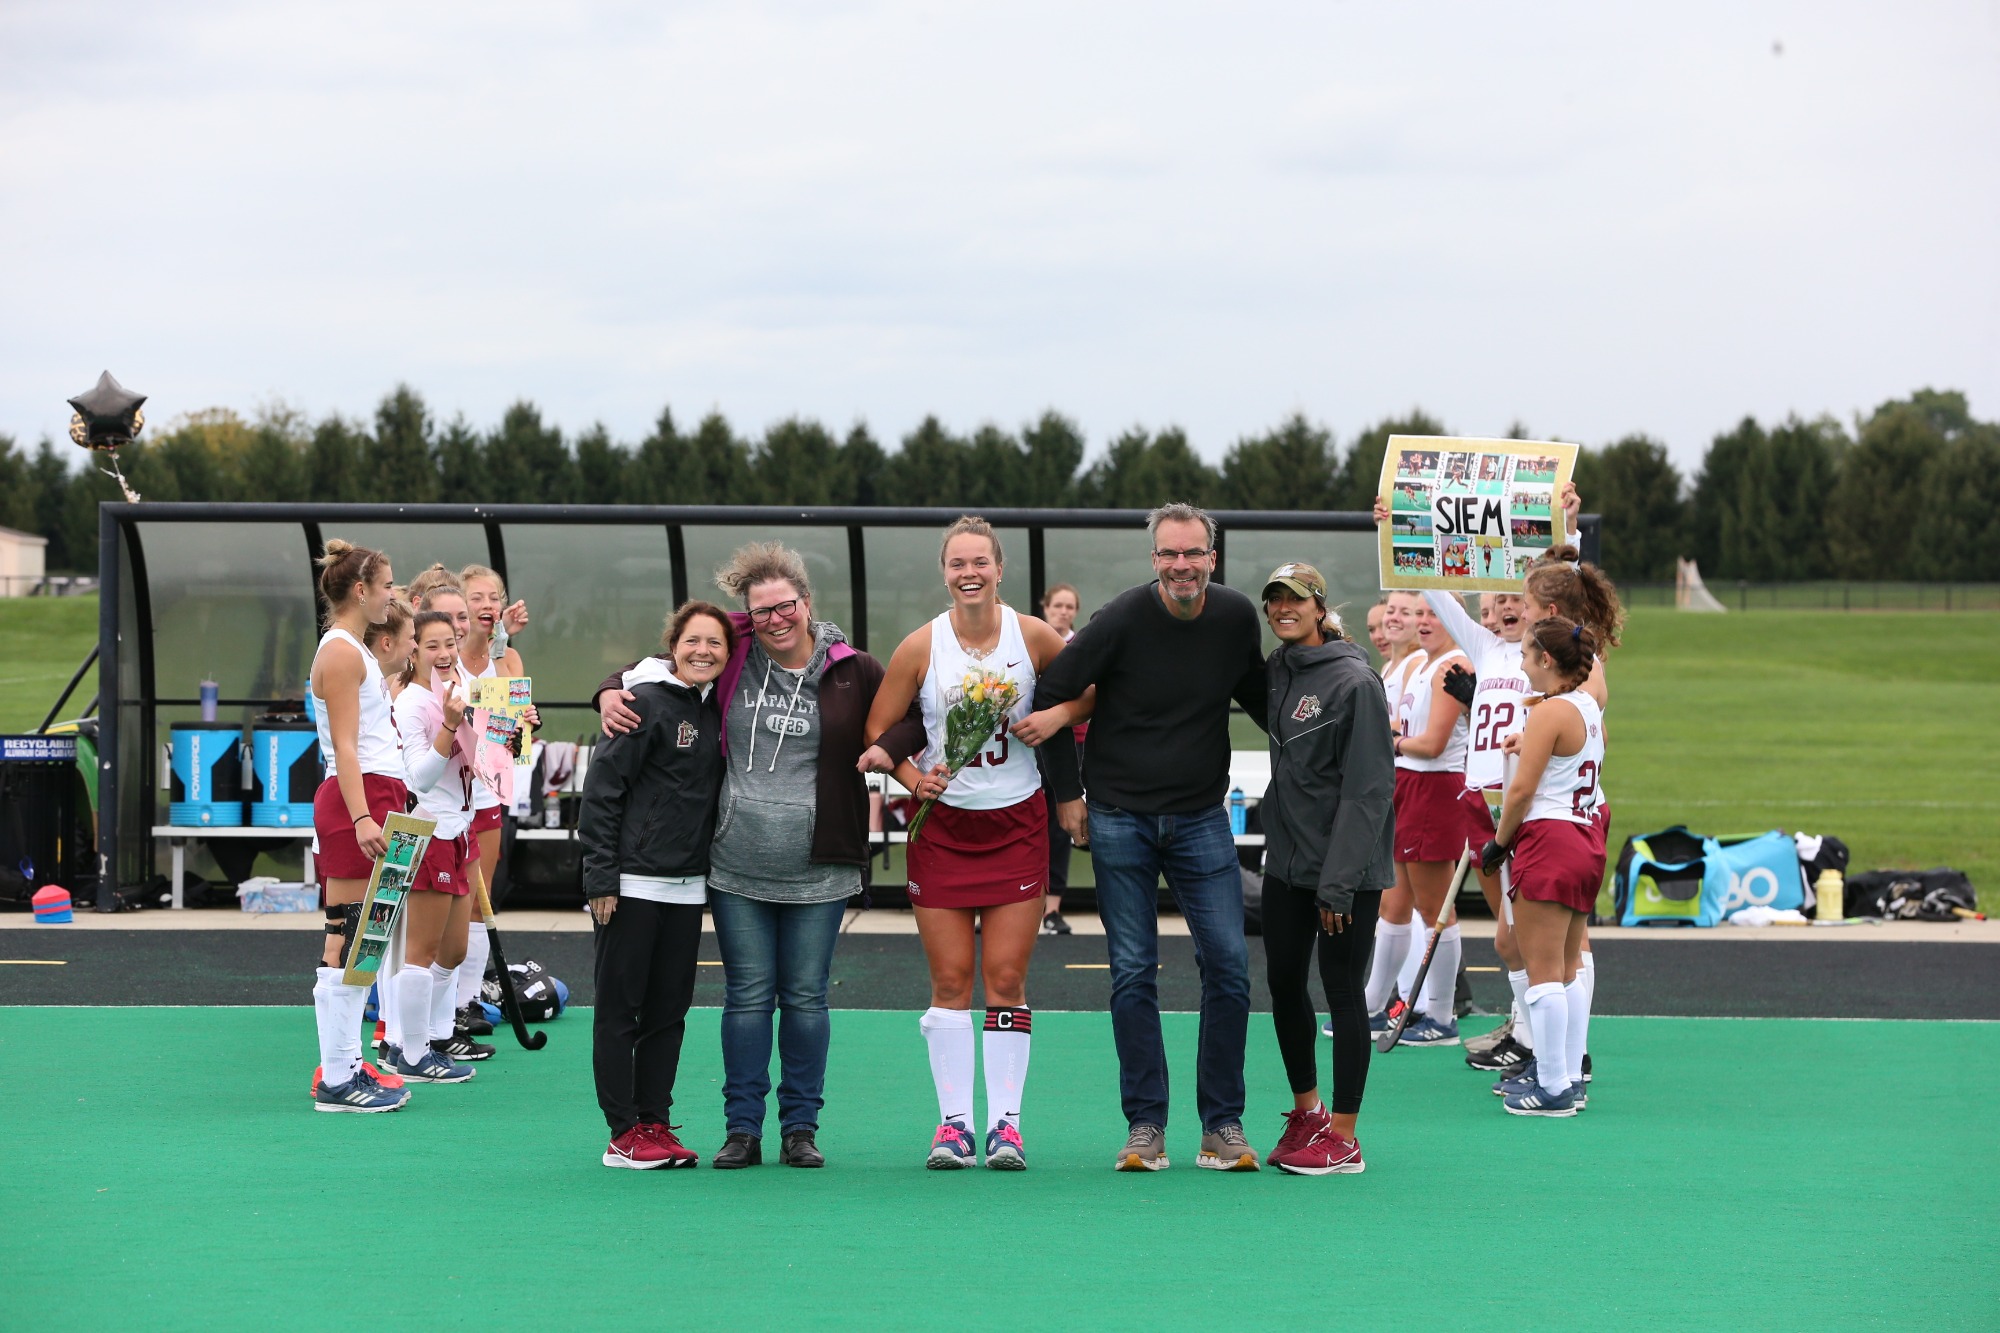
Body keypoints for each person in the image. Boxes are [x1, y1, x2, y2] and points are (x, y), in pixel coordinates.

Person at [593, 543, 925, 1169]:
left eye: (786, 607)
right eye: (761, 611)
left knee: (805, 999)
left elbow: (912, 718)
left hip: (821, 866)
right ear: (748, 616)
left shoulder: (854, 669)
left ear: (806, 602)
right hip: (735, 866)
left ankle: (800, 1128)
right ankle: (741, 1130)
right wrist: (608, 690)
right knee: (747, 999)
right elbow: (658, 665)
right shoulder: (734, 653)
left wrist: (889, 752)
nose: (775, 619)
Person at [1029, 502, 1268, 1173]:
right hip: (1118, 818)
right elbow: (1053, 690)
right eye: (1169, 554)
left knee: (1227, 966)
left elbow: (1264, 695)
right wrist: (1067, 794)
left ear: (1212, 558)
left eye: (1193, 553)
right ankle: (1146, 1126)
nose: (1182, 566)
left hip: (1200, 818)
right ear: (1154, 558)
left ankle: (1222, 1124)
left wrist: (1333, 681)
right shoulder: (1121, 619)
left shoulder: (1233, 617)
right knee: (1132, 971)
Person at [862, 518, 1078, 1170]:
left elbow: (1087, 693)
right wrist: (911, 777)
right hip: (945, 830)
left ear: (999, 567)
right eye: (957, 563)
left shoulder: (1032, 635)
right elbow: (878, 729)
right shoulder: (919, 645)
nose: (969, 573)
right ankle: (954, 1124)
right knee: (951, 981)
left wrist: (1054, 715)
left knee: (1005, 979)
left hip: (1016, 824)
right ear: (945, 570)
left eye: (979, 561)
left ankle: (1006, 1126)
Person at [579, 602, 733, 1169]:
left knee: (669, 1014)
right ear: (673, 645)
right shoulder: (640, 703)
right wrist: (601, 875)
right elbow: (602, 792)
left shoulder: (719, 707)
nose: (702, 652)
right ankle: (622, 1134)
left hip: (689, 891)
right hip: (631, 886)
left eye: (714, 644)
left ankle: (655, 1122)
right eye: (693, 641)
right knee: (621, 1013)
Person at [1256, 563, 1395, 1176]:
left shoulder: (1356, 683)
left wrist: (1338, 883)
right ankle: (1307, 1111)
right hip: (1286, 865)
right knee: (1285, 982)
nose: (1283, 608)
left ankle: (1345, 1137)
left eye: (1294, 599)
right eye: (1274, 600)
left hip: (1344, 874)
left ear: (1319, 607)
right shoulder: (1278, 669)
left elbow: (1368, 793)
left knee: (1341, 993)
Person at [1484, 616, 1605, 1117]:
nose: (1521, 664)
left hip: (1550, 839)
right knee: (1571, 965)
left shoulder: (1550, 711)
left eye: (1526, 656)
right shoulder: (1587, 706)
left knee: (1544, 972)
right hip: (1585, 836)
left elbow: (1521, 791)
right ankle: (1570, 1073)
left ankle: (1554, 1085)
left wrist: (1499, 841)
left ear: (1547, 661)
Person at [307, 540, 410, 1112]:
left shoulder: (357, 651)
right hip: (358, 800)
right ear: (360, 590)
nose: (391, 595)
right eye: (387, 585)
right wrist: (364, 815)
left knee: (364, 940)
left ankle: (346, 1065)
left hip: (378, 794)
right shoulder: (342, 652)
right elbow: (345, 747)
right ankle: (337, 1077)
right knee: (347, 936)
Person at [383, 610, 486, 1084]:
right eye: (432, 646)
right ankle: (408, 1051)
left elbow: (494, 760)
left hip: (459, 832)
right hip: (429, 833)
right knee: (419, 953)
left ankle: (430, 1038)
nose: (445, 654)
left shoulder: (462, 693)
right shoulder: (412, 704)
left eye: (451, 643)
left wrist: (518, 729)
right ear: (414, 650)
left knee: (455, 950)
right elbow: (418, 779)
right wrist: (448, 726)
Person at [1385, 599, 1471, 1046]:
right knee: (1400, 902)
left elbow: (1433, 744)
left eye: (1432, 614)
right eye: (1421, 614)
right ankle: (1392, 1004)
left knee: (1437, 908)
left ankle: (1442, 1015)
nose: (1422, 621)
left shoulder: (1451, 666)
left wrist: (1395, 742)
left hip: (1435, 790)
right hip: (1411, 787)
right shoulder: (1423, 664)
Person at [456, 565, 529, 1041]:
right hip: (444, 797)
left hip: (488, 792)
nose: (488, 604)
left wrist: (500, 646)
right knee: (451, 902)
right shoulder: (447, 657)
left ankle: (467, 1002)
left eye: (495, 597)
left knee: (481, 900)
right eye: (477, 597)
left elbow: (508, 734)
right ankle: (444, 1009)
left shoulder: (509, 658)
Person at [1360, 590, 1427, 1034]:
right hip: (1398, 782)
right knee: (1398, 899)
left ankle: (1428, 1005)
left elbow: (1414, 730)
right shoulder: (1392, 667)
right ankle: (1395, 1000)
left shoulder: (1423, 664)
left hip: (1426, 784)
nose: (1385, 628)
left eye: (1406, 613)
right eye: (1386, 618)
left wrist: (1385, 733)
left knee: (1421, 902)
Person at [1037, 582, 1084, 936]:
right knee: (1023, 820)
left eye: (1070, 607)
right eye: (1058, 606)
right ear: (1046, 607)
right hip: (1029, 745)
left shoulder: (1082, 647)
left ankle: (1052, 910)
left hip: (1074, 746)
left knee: (1061, 824)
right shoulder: (1026, 643)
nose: (1063, 611)